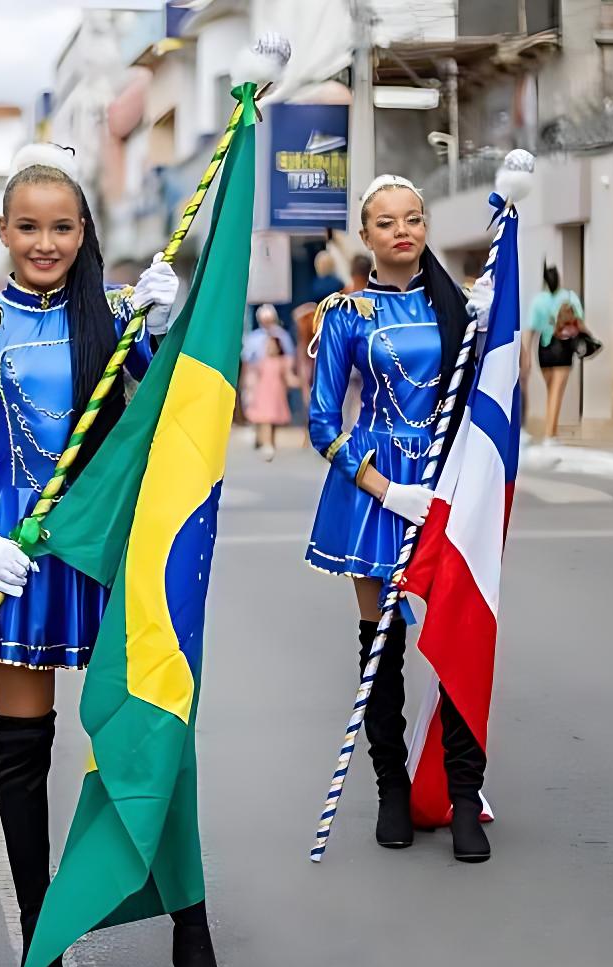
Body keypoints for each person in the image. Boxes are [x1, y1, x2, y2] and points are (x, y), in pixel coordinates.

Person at [0, 143, 225, 967]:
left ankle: (190, 929)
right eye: (29, 227)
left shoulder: (124, 312)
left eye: (62, 227)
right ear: (3, 230)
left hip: (111, 552)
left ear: (85, 230)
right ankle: (40, 929)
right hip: (19, 554)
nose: (45, 242)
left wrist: (165, 334)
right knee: (23, 759)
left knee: (150, 739)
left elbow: (169, 411)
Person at [306, 174, 493, 863]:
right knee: (381, 648)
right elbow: (323, 423)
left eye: (413, 218)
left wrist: (494, 332)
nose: (402, 230)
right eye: (386, 222)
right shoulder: (347, 314)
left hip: (449, 487)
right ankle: (391, 787)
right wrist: (385, 489)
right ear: (366, 236)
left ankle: (462, 796)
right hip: (377, 493)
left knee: (458, 641)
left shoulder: (463, 311)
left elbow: (493, 405)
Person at [523, 264, 585, 443]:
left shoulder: (538, 300)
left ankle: (551, 431)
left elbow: (530, 330)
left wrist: (526, 355)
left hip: (544, 347)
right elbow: (579, 322)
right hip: (563, 346)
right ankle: (550, 434)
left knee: (551, 389)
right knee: (556, 391)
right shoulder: (569, 297)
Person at [245, 324, 298, 461]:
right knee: (265, 420)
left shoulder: (282, 362)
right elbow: (253, 376)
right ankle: (266, 444)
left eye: (272, 345)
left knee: (273, 420)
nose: (270, 348)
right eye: (268, 346)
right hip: (263, 392)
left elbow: (288, 377)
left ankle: (271, 443)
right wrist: (249, 389)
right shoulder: (261, 362)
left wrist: (299, 382)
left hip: (276, 394)